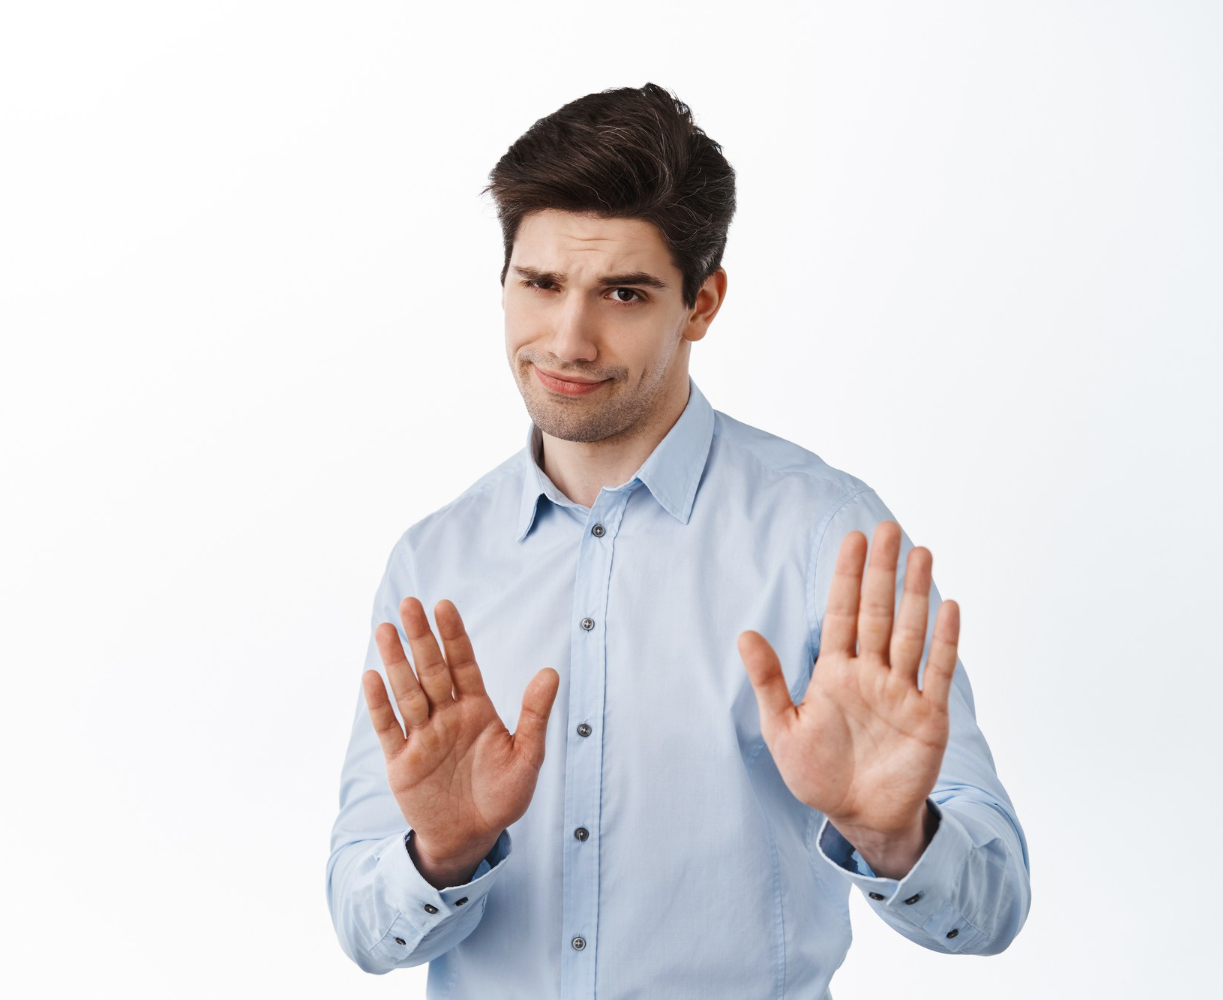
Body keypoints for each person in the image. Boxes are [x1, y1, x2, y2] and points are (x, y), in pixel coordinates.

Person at [326, 82, 1031, 999]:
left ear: (702, 303)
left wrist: (895, 835)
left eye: (623, 293)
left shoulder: (828, 536)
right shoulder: (435, 560)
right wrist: (442, 853)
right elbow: (364, 926)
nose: (568, 341)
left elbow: (992, 907)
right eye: (541, 284)